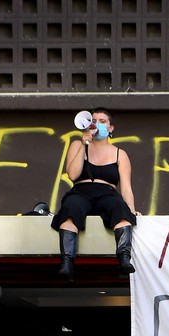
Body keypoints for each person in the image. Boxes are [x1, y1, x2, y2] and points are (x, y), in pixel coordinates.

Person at [53, 107, 139, 279]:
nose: (97, 124)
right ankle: (67, 261)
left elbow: (126, 187)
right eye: (94, 121)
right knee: (71, 208)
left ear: (110, 128)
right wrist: (84, 144)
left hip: (107, 193)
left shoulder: (119, 154)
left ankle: (124, 258)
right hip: (81, 191)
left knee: (119, 209)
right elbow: (73, 174)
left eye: (102, 121)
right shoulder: (77, 145)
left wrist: (131, 209)